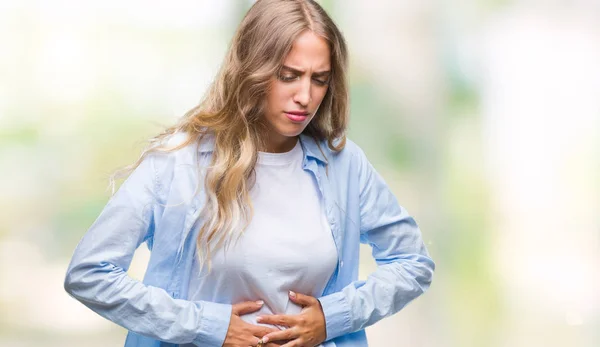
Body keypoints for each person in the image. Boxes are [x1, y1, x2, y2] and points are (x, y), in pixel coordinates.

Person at [63, 1, 435, 346]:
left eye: (319, 79)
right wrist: (207, 326)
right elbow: (90, 273)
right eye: (289, 76)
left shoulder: (345, 165)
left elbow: (413, 264)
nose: (305, 95)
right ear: (252, 70)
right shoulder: (178, 163)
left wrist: (331, 316)